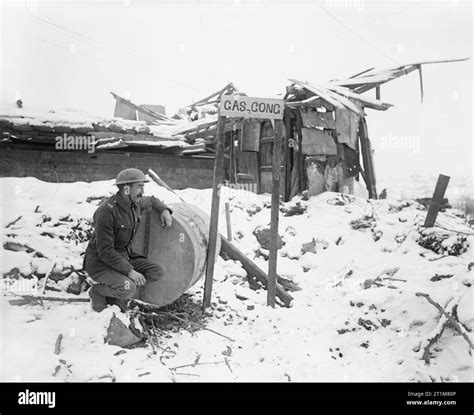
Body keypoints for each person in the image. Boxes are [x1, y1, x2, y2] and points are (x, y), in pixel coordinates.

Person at [83, 168, 173, 312]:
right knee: (128, 287)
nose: (142, 191)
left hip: (124, 258)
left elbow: (151, 200)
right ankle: (98, 291)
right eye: (139, 187)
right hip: (101, 264)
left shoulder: (135, 202)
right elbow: (105, 251)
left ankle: (117, 291)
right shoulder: (106, 212)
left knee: (157, 272)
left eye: (143, 187)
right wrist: (130, 271)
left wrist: (164, 210)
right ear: (126, 189)